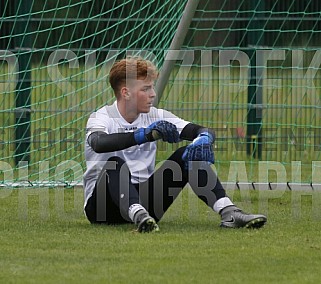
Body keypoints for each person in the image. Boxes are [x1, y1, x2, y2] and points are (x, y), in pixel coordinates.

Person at [83, 56, 267, 232]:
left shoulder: (156, 115)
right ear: (126, 92)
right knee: (115, 165)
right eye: (145, 89)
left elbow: (199, 130)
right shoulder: (102, 117)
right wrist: (143, 135)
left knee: (188, 154)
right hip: (102, 209)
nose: (152, 94)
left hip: (146, 205)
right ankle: (138, 216)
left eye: (152, 87)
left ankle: (229, 212)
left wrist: (204, 139)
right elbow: (99, 143)